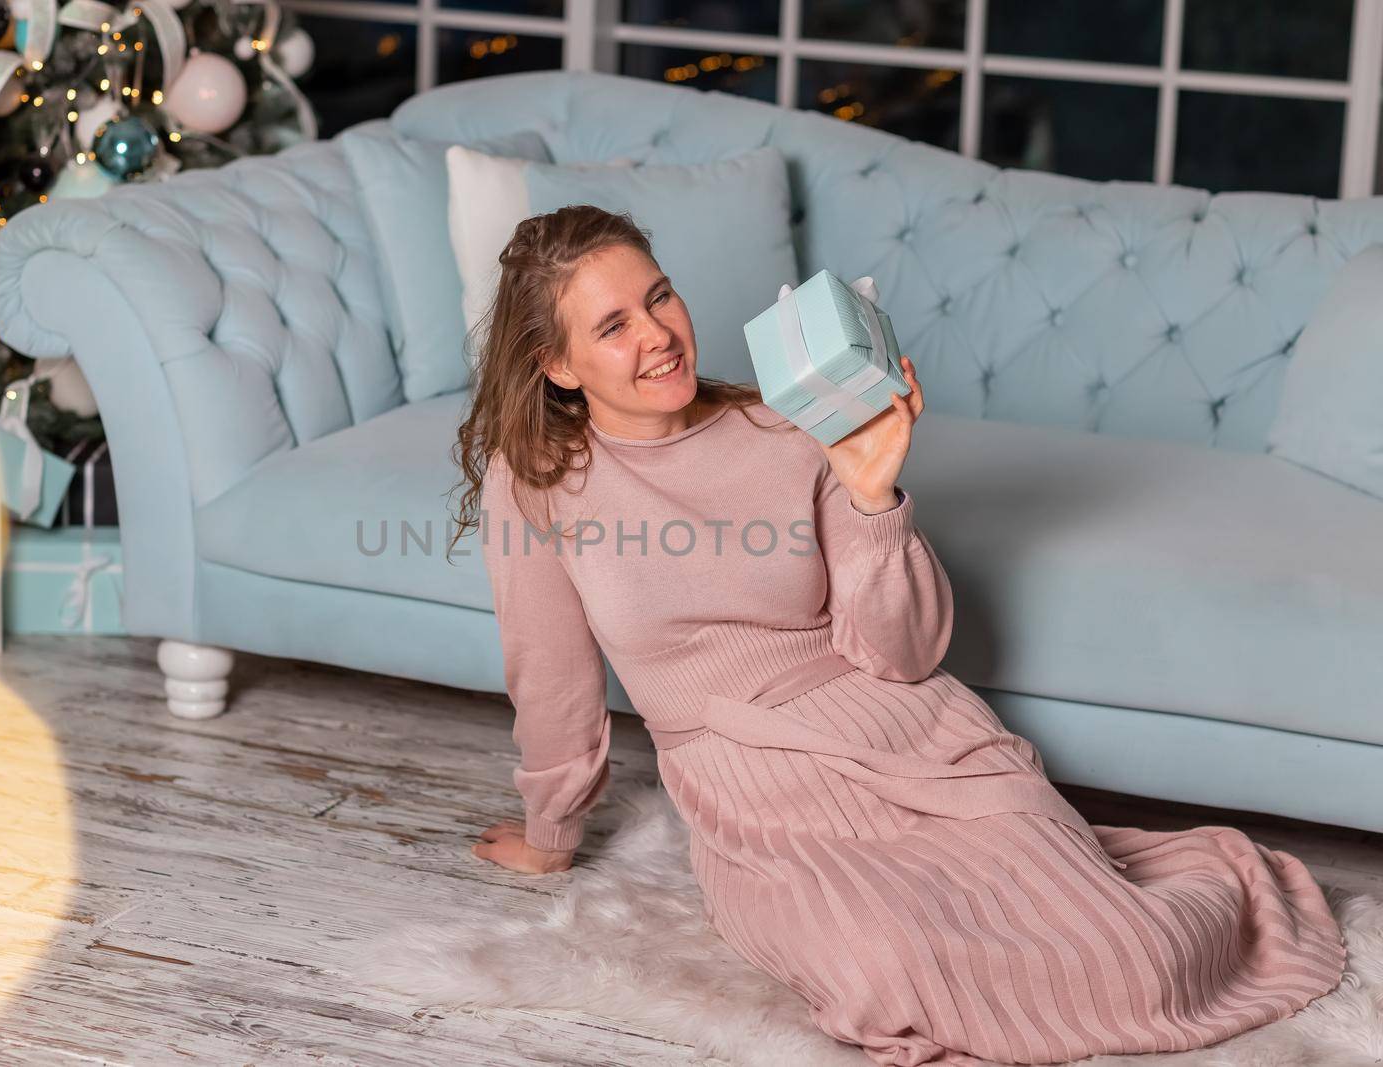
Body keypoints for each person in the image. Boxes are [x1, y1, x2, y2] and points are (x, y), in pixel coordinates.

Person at [447, 204, 1346, 1066]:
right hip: (747, 784)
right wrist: (550, 832)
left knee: (1133, 954)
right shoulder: (536, 484)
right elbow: (554, 678)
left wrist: (874, 495)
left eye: (659, 296)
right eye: (613, 326)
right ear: (557, 366)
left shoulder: (788, 426)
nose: (657, 334)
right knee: (882, 968)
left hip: (905, 729)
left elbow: (904, 653)